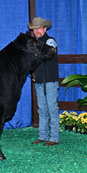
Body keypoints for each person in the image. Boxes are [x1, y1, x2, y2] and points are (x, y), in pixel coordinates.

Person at [29, 17, 60, 146]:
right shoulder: (33, 43)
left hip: (50, 81)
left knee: (52, 109)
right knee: (42, 109)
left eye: (39, 28)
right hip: (40, 81)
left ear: (44, 29)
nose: (36, 31)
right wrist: (32, 73)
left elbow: (49, 54)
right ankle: (42, 136)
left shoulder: (50, 41)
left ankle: (54, 138)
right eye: (34, 29)